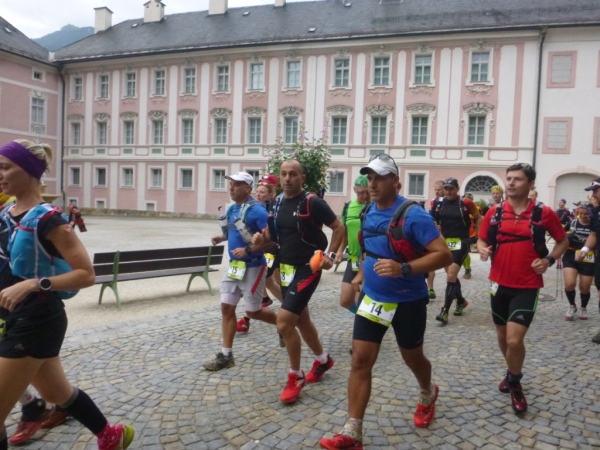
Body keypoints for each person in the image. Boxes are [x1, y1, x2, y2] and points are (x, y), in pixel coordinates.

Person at [0, 139, 134, 450]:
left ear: (29, 170)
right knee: (56, 393)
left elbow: (86, 274)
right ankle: (111, 436)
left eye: (5, 167)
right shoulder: (6, 212)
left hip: (36, 320)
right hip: (13, 317)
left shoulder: (49, 219)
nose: (0, 174)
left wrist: (33, 284)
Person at [318, 154, 452, 450]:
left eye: (379, 178)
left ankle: (427, 391)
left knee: (413, 358)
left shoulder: (414, 215)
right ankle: (353, 432)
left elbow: (444, 255)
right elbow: (371, 249)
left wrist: (404, 268)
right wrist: (361, 275)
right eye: (370, 178)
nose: (372, 184)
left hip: (408, 300)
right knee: (360, 360)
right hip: (373, 297)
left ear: (395, 181)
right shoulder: (367, 211)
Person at [477, 162, 568, 414]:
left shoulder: (543, 213)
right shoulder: (494, 212)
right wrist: (483, 249)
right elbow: (481, 238)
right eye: (509, 178)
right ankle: (511, 371)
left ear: (530, 184)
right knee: (502, 336)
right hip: (498, 283)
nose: (511, 183)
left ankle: (515, 383)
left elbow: (562, 241)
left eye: (517, 179)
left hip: (527, 285)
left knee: (514, 340)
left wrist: (548, 260)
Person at [252, 159, 344, 403]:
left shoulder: (312, 202)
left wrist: (330, 255)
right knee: (301, 320)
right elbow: (273, 236)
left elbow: (339, 228)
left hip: (309, 266)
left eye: (293, 174)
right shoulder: (277, 202)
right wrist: (260, 242)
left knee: (284, 322)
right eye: (283, 174)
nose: (287, 178)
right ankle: (323, 360)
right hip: (286, 267)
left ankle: (295, 376)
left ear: (302, 177)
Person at [204, 172, 278, 370]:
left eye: (236, 184)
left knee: (253, 312)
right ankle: (226, 355)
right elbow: (236, 232)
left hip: (254, 266)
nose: (231, 187)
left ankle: (283, 324)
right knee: (226, 308)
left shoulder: (258, 211)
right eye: (231, 184)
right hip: (235, 267)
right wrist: (222, 238)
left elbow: (273, 240)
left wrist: (249, 250)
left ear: (247, 188)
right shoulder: (232, 209)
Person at [236, 174, 283, 337]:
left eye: (263, 191)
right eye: (258, 191)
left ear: (272, 191)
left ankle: (248, 317)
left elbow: (275, 232)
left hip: (270, 249)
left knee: (263, 277)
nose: (259, 194)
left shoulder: (275, 206)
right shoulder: (254, 206)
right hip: (259, 249)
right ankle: (287, 306)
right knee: (268, 281)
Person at [431, 178, 481, 324]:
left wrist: (477, 237)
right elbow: (432, 221)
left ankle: (444, 311)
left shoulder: (466, 202)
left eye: (451, 189)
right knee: (451, 277)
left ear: (457, 189)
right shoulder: (438, 203)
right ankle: (460, 301)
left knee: (451, 275)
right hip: (445, 242)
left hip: (462, 241)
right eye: (446, 189)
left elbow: (478, 218)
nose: (448, 192)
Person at [336, 175, 370, 313]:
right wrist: (339, 251)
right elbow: (345, 233)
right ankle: (363, 318)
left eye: (367, 191)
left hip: (370, 259)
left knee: (364, 299)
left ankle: (365, 321)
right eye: (361, 192)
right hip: (354, 258)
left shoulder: (376, 206)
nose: (364, 195)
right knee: (345, 301)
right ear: (355, 190)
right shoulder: (348, 207)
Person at [576, 177, 600, 343]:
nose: (593, 195)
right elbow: (594, 234)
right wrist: (585, 249)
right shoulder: (596, 211)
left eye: (595, 191)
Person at [563, 204, 594, 320]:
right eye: (581, 213)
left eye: (586, 214)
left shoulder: (594, 225)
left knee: (584, 287)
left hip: (588, 257)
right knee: (569, 284)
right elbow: (560, 235)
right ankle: (572, 305)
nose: (583, 216)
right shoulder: (572, 223)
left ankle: (583, 307)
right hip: (571, 255)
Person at [426, 180, 445, 299]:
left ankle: (454, 289)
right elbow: (431, 217)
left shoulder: (449, 202)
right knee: (431, 262)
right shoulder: (433, 201)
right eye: (435, 190)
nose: (437, 192)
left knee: (449, 266)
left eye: (439, 189)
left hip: (449, 235)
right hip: (436, 235)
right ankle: (430, 289)